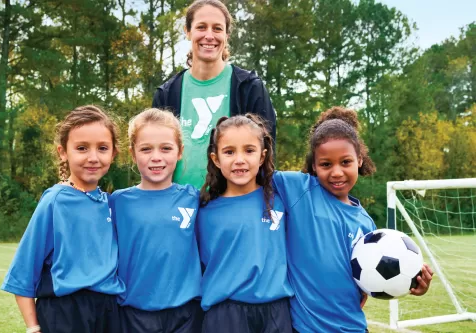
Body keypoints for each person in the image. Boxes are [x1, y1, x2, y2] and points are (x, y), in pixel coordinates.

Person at [272, 107, 434, 333]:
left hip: (354, 327)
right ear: (313, 166)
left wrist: (411, 281)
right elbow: (253, 171)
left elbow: (366, 287)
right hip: (306, 328)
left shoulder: (367, 225)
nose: (336, 172)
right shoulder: (299, 190)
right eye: (326, 164)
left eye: (345, 162)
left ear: (359, 159)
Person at [1, 105, 125, 333]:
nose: (93, 157)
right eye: (81, 148)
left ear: (113, 154)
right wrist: (33, 327)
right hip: (66, 312)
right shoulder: (55, 201)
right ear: (63, 152)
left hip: (108, 311)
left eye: (102, 148)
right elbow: (24, 271)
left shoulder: (111, 203)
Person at [152, 0, 276, 188]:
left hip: (230, 205)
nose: (209, 36)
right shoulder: (166, 94)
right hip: (177, 205)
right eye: (201, 27)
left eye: (217, 29)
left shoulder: (248, 87)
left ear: (226, 35)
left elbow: (266, 154)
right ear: (188, 31)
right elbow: (154, 155)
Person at [197, 114, 293, 333]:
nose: (239, 159)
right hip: (225, 316)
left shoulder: (280, 201)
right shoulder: (204, 211)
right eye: (229, 152)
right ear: (216, 159)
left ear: (262, 156)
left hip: (276, 314)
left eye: (249, 150)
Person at [110, 108, 203, 333]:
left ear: (180, 151)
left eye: (166, 148)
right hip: (133, 315)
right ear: (133, 153)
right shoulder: (117, 202)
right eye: (146, 149)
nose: (156, 157)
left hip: (186, 316)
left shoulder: (194, 198)